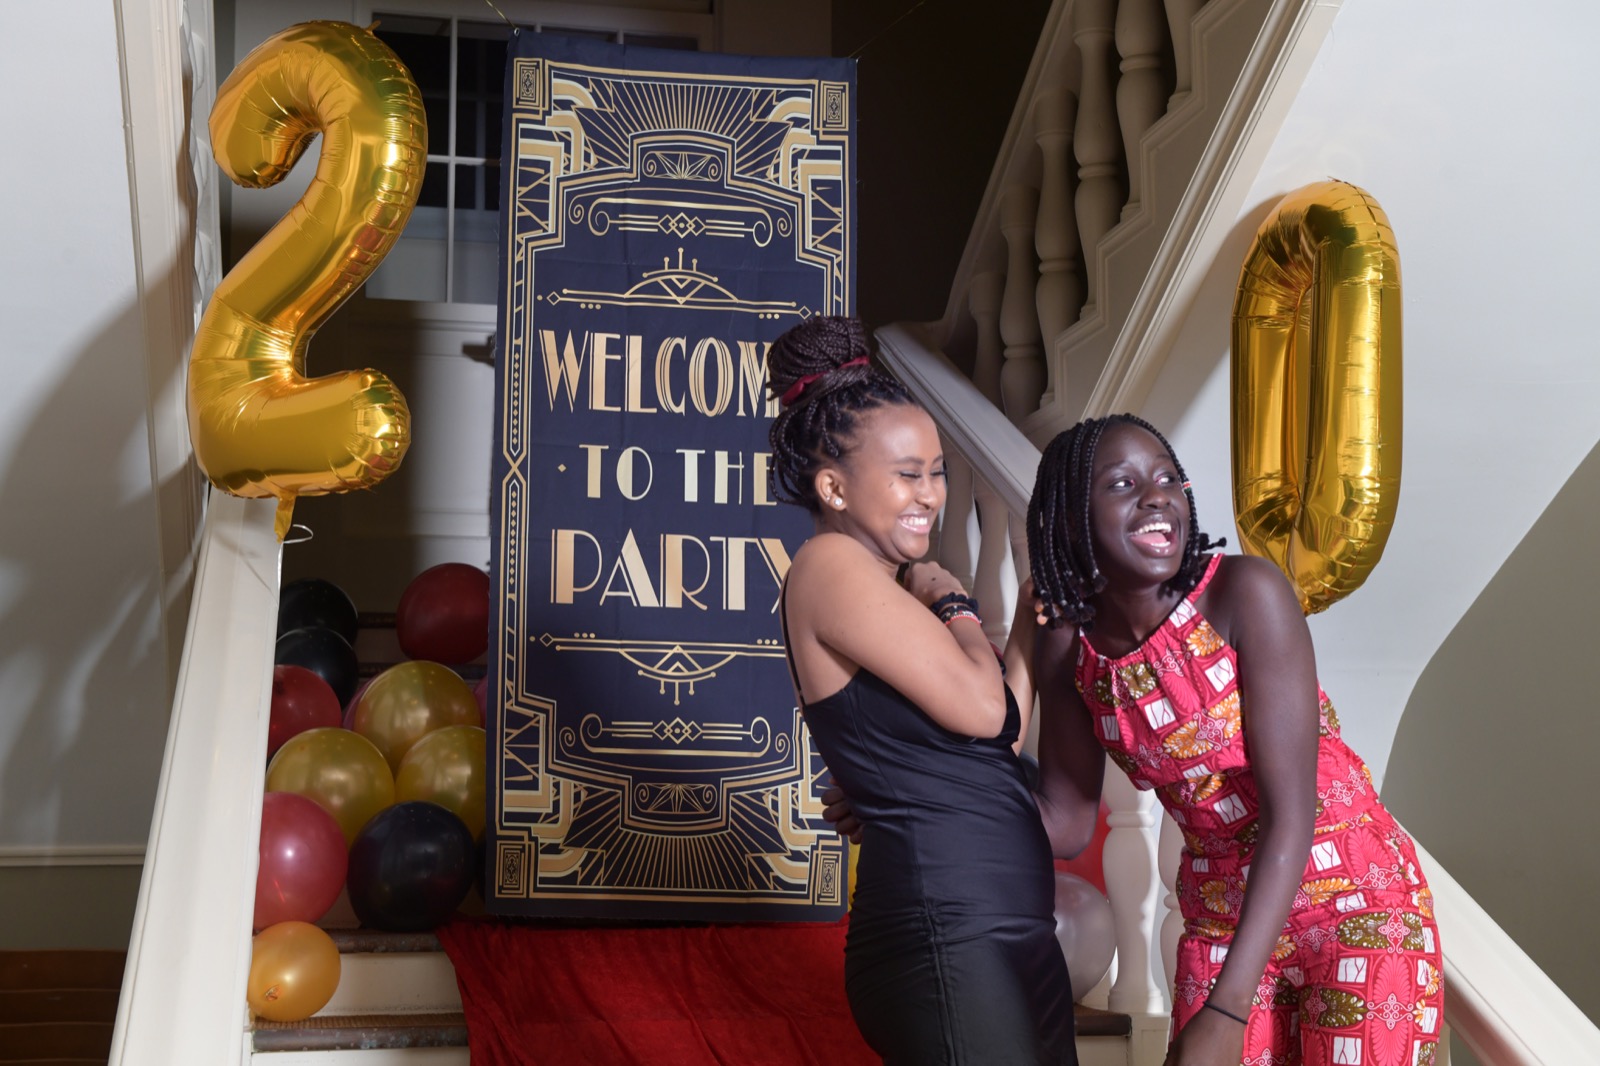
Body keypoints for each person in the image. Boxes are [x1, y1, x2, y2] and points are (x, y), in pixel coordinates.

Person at [1026, 413, 1444, 1066]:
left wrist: (1226, 1008)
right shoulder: (1066, 646)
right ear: (1070, 517)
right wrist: (915, 804)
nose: (1156, 494)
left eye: (1167, 478)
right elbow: (1065, 819)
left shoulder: (1246, 593)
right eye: (1122, 483)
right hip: (1222, 913)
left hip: (1354, 904)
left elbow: (1290, 812)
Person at [766, 315, 1077, 1065]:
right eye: (908, 473)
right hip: (946, 927)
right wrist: (953, 602)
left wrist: (1029, 627)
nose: (930, 495)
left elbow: (993, 734)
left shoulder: (880, 584)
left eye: (937, 471)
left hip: (1003, 921)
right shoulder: (831, 567)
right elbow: (984, 709)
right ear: (833, 485)